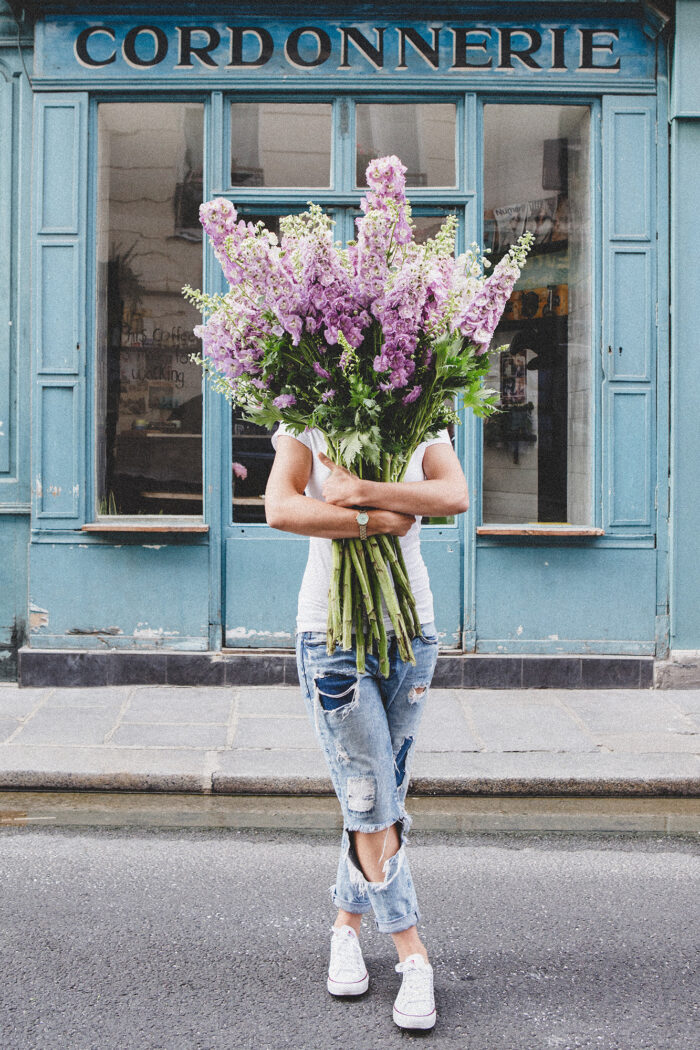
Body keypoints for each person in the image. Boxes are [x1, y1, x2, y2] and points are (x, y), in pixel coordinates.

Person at [265, 422, 469, 1031]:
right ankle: (412, 951)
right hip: (331, 634)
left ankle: (346, 929)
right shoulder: (303, 416)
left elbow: (453, 495)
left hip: (413, 633)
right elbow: (281, 507)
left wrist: (364, 487)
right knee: (372, 796)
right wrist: (370, 519)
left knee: (383, 790)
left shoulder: (420, 407)